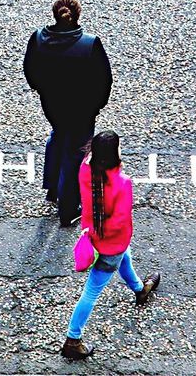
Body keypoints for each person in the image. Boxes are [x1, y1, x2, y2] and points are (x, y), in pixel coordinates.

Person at [61, 130, 161, 360]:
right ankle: (72, 339)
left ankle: (139, 290)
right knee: (91, 291)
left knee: (125, 257)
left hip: (94, 236)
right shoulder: (121, 183)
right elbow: (120, 220)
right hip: (111, 244)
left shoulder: (86, 168)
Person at [23, 0, 112, 226]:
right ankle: (68, 208)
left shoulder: (39, 39)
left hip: (52, 105)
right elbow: (104, 79)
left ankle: (52, 188)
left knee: (58, 135)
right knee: (75, 153)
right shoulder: (89, 44)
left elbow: (30, 71)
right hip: (83, 109)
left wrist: (42, 89)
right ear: (77, 15)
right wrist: (97, 105)